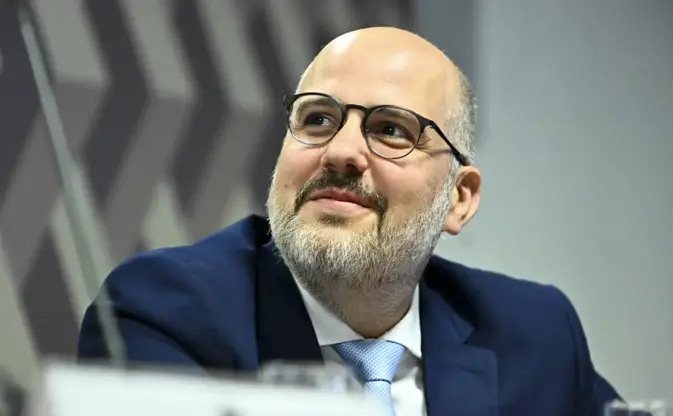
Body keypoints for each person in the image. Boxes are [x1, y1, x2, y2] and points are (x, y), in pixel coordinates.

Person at [78, 27, 620, 415]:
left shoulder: (535, 333)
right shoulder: (165, 313)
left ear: (459, 199)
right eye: (318, 118)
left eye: (391, 130)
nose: (340, 152)